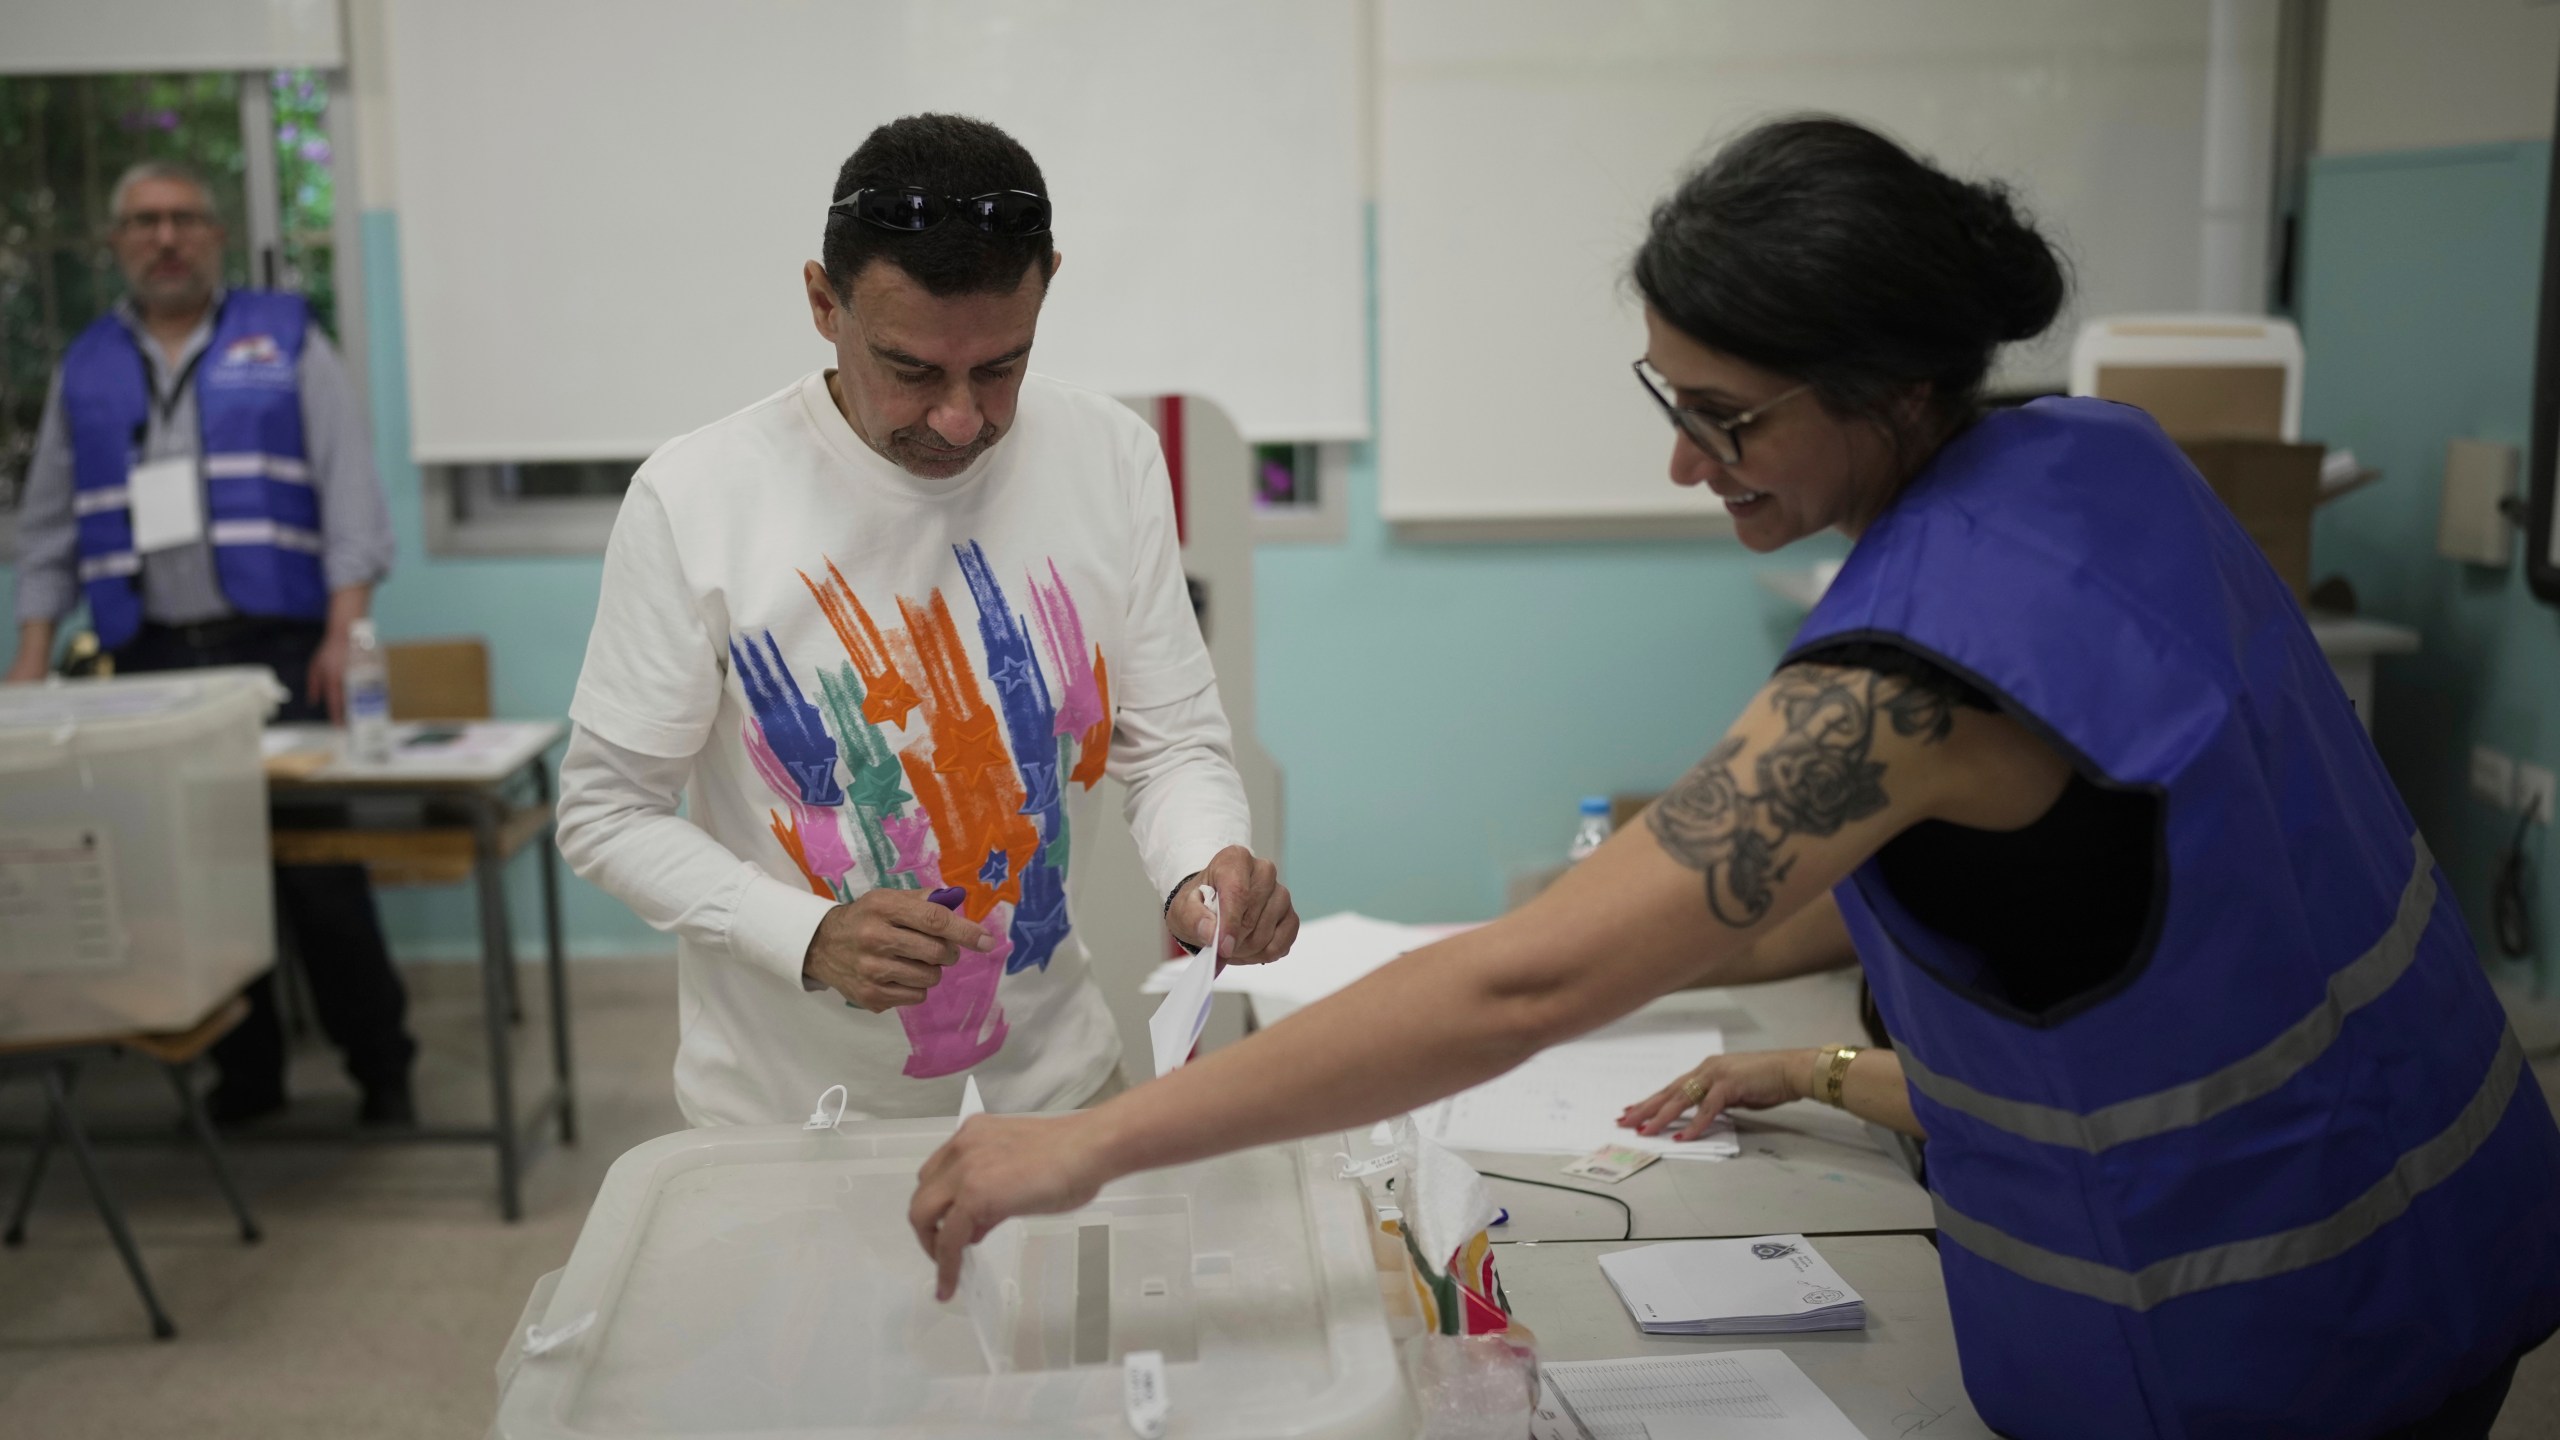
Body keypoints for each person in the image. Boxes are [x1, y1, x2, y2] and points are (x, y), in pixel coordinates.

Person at [909, 118, 2560, 1439]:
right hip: (2444, 1203)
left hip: (2276, 1327)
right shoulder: (2100, 457)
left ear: (1895, 389)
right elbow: (2109, 914)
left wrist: (1097, 1145)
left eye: (1727, 417)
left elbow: (1532, 985)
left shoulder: (1909, 692)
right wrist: (1832, 1065)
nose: (1684, 461)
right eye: (1667, 397)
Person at [555, 114, 1297, 1129]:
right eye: (910, 370)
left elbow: (1172, 747)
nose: (960, 418)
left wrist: (1200, 869)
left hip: (1055, 1093)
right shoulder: (697, 499)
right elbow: (606, 813)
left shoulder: (1108, 459)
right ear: (823, 302)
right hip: (789, 1119)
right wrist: (805, 935)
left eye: (1000, 367)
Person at [4, 160, 414, 1127]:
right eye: (143, 221)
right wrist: (30, 658)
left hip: (280, 652)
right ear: (116, 243)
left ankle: (381, 1068)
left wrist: (342, 627)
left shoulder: (284, 341)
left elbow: (350, 487)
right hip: (144, 665)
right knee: (189, 887)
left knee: (317, 874)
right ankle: (248, 1077)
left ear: (216, 236)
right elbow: (47, 526)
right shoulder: (86, 367)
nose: (165, 237)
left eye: (184, 218)